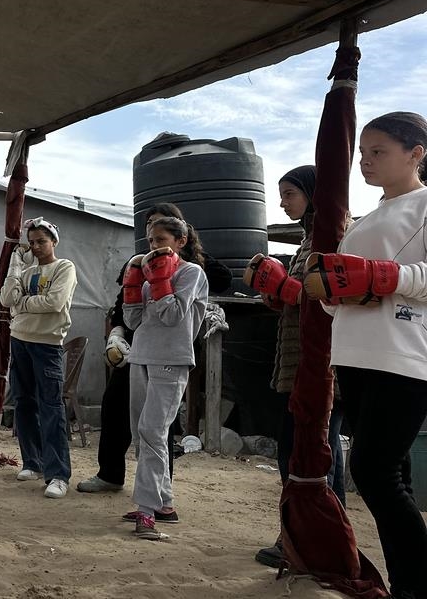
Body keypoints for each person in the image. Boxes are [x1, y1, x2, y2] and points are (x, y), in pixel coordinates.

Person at [303, 112, 427, 598]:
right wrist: (325, 291)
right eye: (362, 153)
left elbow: (403, 277)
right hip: (354, 352)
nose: (365, 161)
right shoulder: (363, 220)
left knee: (373, 471)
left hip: (403, 352)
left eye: (378, 152)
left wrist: (384, 276)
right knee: (392, 474)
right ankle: (405, 585)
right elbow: (343, 296)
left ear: (416, 154)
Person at [78, 203, 230, 496]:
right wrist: (117, 332)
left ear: (181, 235)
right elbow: (126, 308)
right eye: (150, 232)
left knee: (158, 428)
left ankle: (161, 493)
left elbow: (217, 282)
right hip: (138, 348)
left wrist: (171, 267)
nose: (154, 239)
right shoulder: (140, 263)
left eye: (161, 232)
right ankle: (115, 476)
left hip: (171, 353)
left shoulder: (192, 269)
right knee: (121, 411)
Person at [245, 166, 345, 568]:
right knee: (312, 453)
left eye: (289, 193)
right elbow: (303, 299)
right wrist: (277, 295)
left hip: (320, 367)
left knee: (308, 453)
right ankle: (317, 537)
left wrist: (287, 288)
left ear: (312, 193)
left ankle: (310, 540)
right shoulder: (309, 240)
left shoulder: (333, 236)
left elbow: (333, 295)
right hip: (301, 362)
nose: (283, 202)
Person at [122, 216, 209, 540]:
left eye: (161, 239)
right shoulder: (147, 275)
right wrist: (133, 287)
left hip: (171, 359)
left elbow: (173, 315)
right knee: (141, 432)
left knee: (153, 431)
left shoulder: (191, 273)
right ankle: (164, 503)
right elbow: (133, 322)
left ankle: (147, 510)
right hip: (141, 355)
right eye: (150, 241)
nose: (154, 246)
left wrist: (160, 281)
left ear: (180, 241)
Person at [0, 217, 77, 498]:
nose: (36, 247)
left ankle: (58, 474)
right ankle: (32, 461)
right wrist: (15, 263)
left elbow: (54, 302)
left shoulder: (64, 267)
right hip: (20, 340)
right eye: (31, 242)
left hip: (47, 343)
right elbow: (7, 298)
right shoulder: (26, 270)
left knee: (51, 407)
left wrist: (22, 304)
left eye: (41, 241)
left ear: (54, 241)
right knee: (23, 403)